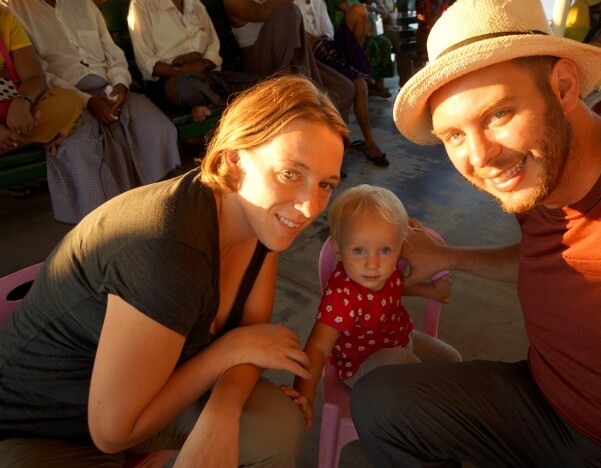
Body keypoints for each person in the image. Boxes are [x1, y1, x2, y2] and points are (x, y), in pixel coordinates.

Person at [350, 0, 601, 466]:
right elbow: (551, 253)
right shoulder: (537, 178)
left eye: (498, 115)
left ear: (563, 85)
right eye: (454, 135)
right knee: (380, 401)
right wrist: (449, 256)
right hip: (547, 407)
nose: (480, 157)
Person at [0, 74, 349, 466]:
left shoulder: (258, 221)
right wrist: (228, 350)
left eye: (325, 184)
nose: (309, 207)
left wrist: (222, 412)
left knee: (275, 426)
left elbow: (254, 336)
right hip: (40, 428)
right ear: (234, 158)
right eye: (290, 174)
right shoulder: (169, 246)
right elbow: (114, 432)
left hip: (150, 394)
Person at [281, 184, 460, 430]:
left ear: (399, 246)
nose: (373, 263)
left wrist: (430, 291)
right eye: (358, 250)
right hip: (359, 364)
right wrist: (305, 397)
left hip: (399, 338)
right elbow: (318, 348)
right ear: (338, 250)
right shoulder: (342, 296)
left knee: (452, 360)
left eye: (385, 250)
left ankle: (444, 414)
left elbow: (396, 288)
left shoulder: (386, 270)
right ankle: (427, 424)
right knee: (405, 364)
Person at [8, 0, 181, 224]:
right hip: (65, 98)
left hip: (109, 89)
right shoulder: (15, 10)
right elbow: (42, 75)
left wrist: (119, 84)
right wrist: (88, 101)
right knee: (81, 150)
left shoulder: (83, 4)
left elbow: (112, 52)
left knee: (160, 130)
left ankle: (162, 206)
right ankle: (104, 226)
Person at [128, 0, 263, 123]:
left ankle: (203, 100)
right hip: (170, 78)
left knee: (258, 82)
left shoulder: (195, 4)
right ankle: (215, 100)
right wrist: (181, 71)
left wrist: (202, 64)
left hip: (203, 72)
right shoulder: (141, 5)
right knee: (188, 86)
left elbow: (213, 47)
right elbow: (146, 62)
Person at [223, 0, 355, 124]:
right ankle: (290, 85)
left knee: (344, 88)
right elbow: (261, 12)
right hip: (259, 58)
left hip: (294, 56)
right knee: (288, 11)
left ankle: (333, 141)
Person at [0, 5, 82, 199]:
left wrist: (22, 103)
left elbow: (34, 77)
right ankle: (20, 141)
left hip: (16, 115)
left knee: (68, 102)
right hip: (18, 126)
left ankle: (9, 142)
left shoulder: (4, 17)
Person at [295, 0, 390, 165]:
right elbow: (297, 36)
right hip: (312, 54)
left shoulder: (318, 3)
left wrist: (316, 39)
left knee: (359, 10)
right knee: (360, 85)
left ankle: (353, 64)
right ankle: (369, 143)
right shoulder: (292, 5)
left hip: (328, 46)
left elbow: (328, 31)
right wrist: (310, 39)